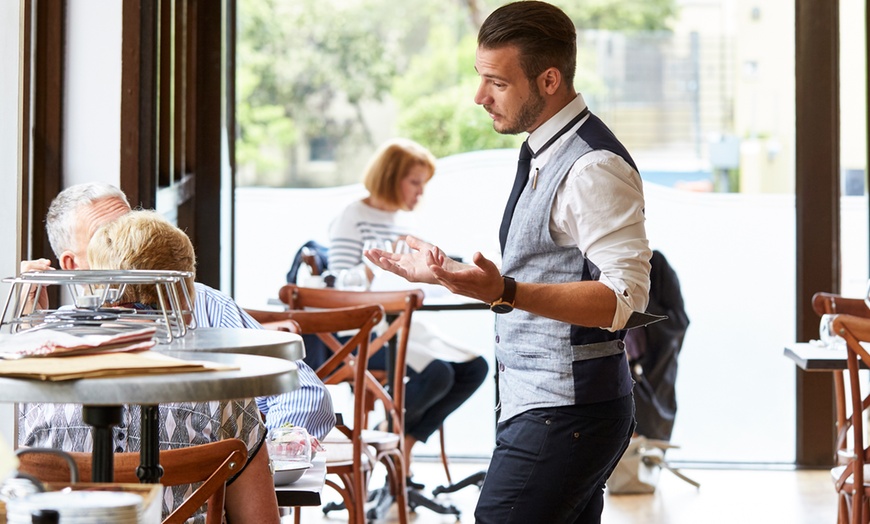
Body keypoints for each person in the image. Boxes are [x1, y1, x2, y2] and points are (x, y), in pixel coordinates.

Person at [365, 2, 651, 523]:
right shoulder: (545, 148)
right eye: (480, 78)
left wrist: (505, 292)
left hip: (568, 411)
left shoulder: (592, 166)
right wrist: (447, 272)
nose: (479, 97)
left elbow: (624, 300)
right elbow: (544, 268)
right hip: (544, 402)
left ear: (548, 80)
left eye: (496, 82)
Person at [21, 181, 334, 440]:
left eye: (129, 227)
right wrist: (28, 335)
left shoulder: (208, 306)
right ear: (71, 266)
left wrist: (282, 445)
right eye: (106, 237)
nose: (127, 244)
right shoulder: (55, 339)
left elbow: (303, 392)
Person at [328, 137, 489, 486]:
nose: (419, 192)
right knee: (440, 375)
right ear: (390, 177)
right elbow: (338, 285)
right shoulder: (352, 216)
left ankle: (400, 443)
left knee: (474, 368)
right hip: (363, 334)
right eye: (414, 182)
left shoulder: (399, 222)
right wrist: (374, 267)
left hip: (401, 326)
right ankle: (383, 441)